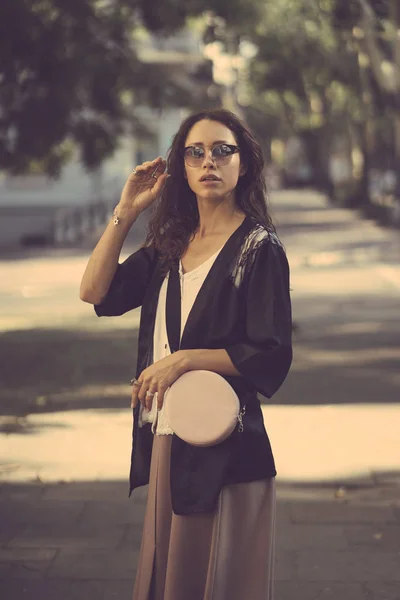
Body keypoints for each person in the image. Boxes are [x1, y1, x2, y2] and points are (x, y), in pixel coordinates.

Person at [80, 109, 292, 600]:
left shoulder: (259, 248)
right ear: (181, 167)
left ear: (245, 165)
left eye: (223, 150)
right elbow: (95, 292)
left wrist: (184, 358)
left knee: (215, 582)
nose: (208, 162)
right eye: (194, 152)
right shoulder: (168, 246)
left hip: (225, 443)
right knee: (168, 582)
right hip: (168, 437)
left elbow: (270, 353)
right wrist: (127, 211)